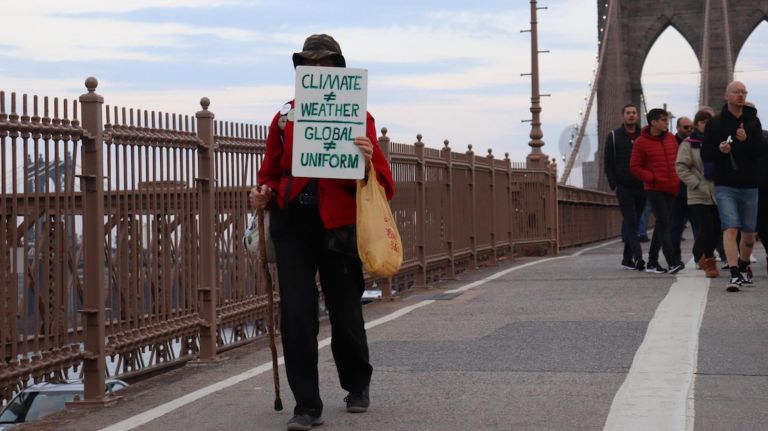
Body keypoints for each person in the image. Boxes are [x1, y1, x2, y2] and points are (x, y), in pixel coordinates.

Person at [250, 34, 395, 430]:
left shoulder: (359, 118)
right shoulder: (283, 119)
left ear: (337, 69)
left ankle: (356, 385)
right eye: (309, 64)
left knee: (346, 311)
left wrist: (367, 161)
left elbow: (385, 181)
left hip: (339, 225)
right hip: (292, 223)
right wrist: (262, 192)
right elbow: (269, 174)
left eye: (324, 63)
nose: (316, 70)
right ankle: (307, 406)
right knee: (296, 316)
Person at [701, 81, 763, 292]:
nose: (741, 95)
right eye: (736, 92)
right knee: (730, 227)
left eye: (744, 92)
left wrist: (745, 141)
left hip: (750, 184)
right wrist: (720, 150)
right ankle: (735, 274)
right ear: (726, 96)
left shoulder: (752, 121)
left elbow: (759, 152)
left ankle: (744, 267)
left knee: (749, 234)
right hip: (725, 184)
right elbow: (705, 155)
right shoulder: (715, 123)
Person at [630, 108, 685, 274]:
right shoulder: (641, 142)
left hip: (672, 187)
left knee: (662, 224)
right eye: (662, 120)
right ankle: (672, 261)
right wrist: (652, 177)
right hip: (654, 189)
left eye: (666, 120)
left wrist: (677, 178)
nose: (666, 123)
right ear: (653, 122)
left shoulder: (670, 139)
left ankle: (652, 262)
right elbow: (634, 167)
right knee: (665, 223)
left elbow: (678, 160)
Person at [676, 109, 720, 277]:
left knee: (717, 228)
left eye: (709, 122)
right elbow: (681, 166)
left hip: (717, 192)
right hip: (698, 193)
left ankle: (698, 251)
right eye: (703, 122)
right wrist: (696, 183)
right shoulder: (688, 143)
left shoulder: (719, 142)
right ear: (697, 124)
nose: (706, 125)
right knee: (707, 227)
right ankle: (710, 262)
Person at [604, 104, 646, 270]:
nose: (631, 115)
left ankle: (627, 258)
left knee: (634, 222)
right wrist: (614, 184)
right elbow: (608, 162)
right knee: (631, 220)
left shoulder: (644, 136)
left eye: (633, 113)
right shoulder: (613, 136)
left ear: (637, 116)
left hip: (642, 185)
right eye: (628, 113)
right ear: (623, 116)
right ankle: (638, 257)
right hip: (624, 187)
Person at [670, 117, 693, 263]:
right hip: (676, 192)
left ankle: (701, 257)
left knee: (701, 227)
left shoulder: (696, 142)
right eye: (686, 127)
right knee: (675, 227)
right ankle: (675, 258)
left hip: (694, 191)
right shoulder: (670, 143)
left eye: (691, 127)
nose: (689, 130)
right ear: (678, 128)